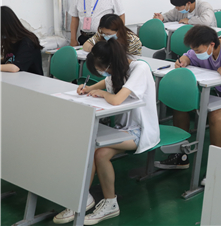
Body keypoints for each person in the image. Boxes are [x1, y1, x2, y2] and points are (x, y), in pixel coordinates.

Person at [53, 40, 159, 224]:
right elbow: (106, 81)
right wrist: (88, 89)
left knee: (95, 148)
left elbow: (116, 100)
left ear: (111, 64)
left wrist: (103, 94)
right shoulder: (117, 69)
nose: (104, 73)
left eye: (103, 69)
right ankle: (93, 200)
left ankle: (92, 201)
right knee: (94, 149)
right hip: (122, 130)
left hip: (140, 132)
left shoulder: (140, 68)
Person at [155, 25, 221, 169]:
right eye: (194, 50)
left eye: (198, 51)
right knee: (181, 102)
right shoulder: (202, 48)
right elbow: (187, 56)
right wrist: (183, 61)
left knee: (216, 113)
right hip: (220, 92)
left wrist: (220, 68)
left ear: (212, 44)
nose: (196, 53)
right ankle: (180, 156)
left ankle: (216, 165)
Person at [1, 6, 43, 75]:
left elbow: (15, 67)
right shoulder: (9, 40)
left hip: (31, 80)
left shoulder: (27, 42)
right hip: (16, 78)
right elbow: (10, 59)